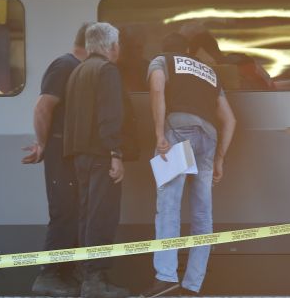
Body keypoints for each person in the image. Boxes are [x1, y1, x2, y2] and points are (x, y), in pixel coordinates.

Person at [142, 32, 237, 297]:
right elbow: (230, 120)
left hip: (178, 132)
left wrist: (160, 133)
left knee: (169, 207)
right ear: (187, 49)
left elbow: (157, 88)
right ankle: (193, 285)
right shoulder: (209, 73)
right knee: (202, 216)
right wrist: (219, 158)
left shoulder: (162, 61)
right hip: (208, 139)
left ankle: (166, 278)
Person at [22, 23, 90, 296]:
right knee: (63, 211)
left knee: (73, 211)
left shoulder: (76, 67)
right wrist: (43, 144)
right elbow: (43, 106)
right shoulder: (64, 66)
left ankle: (65, 273)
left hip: (67, 150)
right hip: (59, 150)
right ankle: (48, 276)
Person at [63, 22, 130, 298]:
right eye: (118, 45)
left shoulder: (78, 71)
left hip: (80, 155)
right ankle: (96, 281)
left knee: (86, 214)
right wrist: (115, 153)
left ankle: (85, 277)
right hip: (102, 154)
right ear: (111, 46)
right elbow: (109, 115)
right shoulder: (106, 70)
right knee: (102, 216)